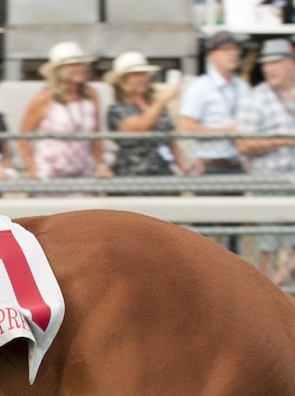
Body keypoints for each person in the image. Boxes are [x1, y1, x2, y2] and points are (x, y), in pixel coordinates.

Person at [235, 38, 295, 285]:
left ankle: (281, 283)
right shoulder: (257, 98)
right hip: (269, 181)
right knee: (267, 245)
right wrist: (283, 141)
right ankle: (271, 289)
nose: (269, 68)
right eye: (266, 63)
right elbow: (243, 143)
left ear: (290, 62)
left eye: (275, 62)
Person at [18, 41, 110, 184]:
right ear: (59, 70)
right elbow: (23, 136)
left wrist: (101, 164)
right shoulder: (45, 98)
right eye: (73, 65)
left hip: (83, 172)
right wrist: (32, 168)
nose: (80, 69)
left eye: (81, 64)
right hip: (50, 173)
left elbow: (95, 135)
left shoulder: (91, 95)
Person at [103, 51, 194, 179]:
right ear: (123, 81)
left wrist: (185, 166)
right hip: (132, 175)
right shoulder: (118, 110)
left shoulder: (157, 107)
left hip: (163, 172)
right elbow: (140, 125)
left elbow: (170, 140)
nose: (143, 79)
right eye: (136, 75)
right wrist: (162, 100)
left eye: (144, 74)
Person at [177, 30, 249, 177]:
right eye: (226, 49)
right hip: (211, 164)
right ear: (212, 54)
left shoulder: (243, 87)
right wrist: (224, 131)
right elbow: (186, 127)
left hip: (237, 164)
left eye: (235, 49)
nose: (232, 54)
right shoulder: (201, 87)